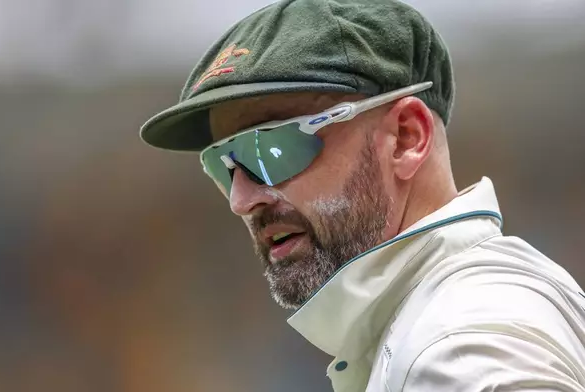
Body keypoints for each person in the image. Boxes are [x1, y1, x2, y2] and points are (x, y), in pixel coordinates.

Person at [139, 0, 585, 390]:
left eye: (269, 147)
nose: (242, 199)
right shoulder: (454, 312)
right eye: (222, 163)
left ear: (406, 138)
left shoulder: (458, 348)